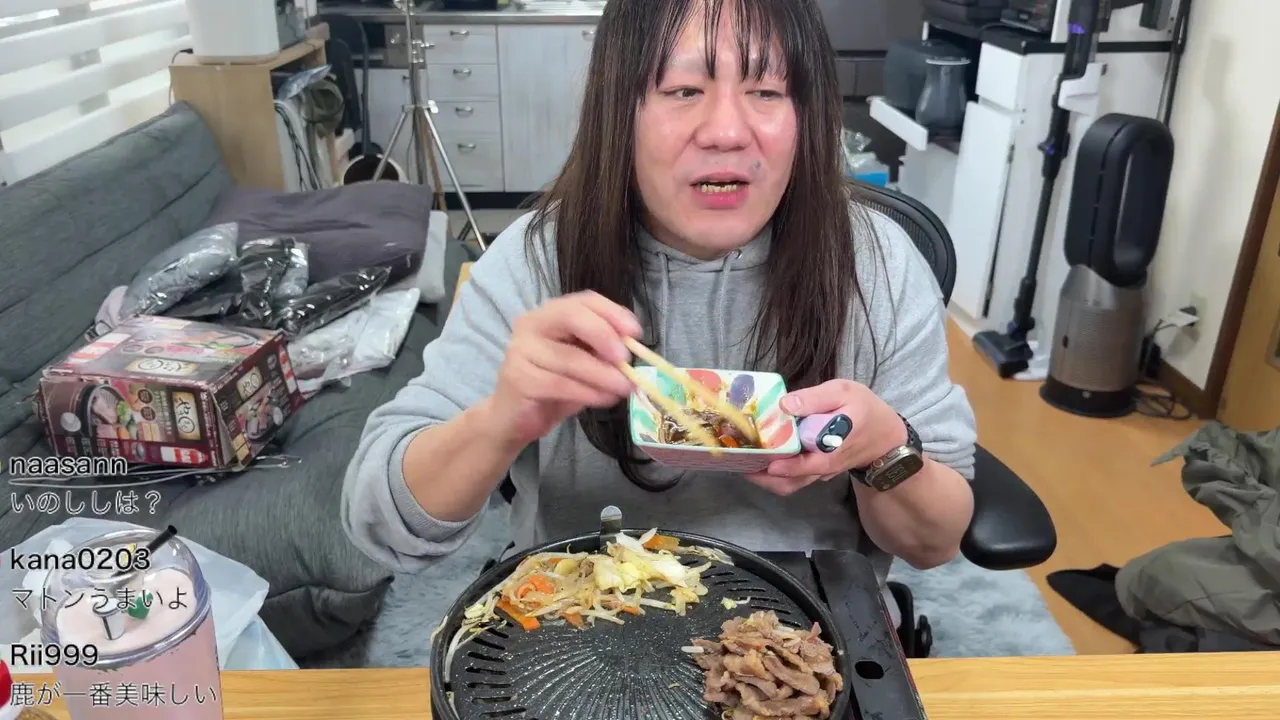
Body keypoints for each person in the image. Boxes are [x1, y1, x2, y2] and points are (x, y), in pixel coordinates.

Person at [341, 0, 978, 604]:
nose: (727, 131)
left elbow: (936, 542)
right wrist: (500, 420)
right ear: (619, 110)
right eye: (683, 90)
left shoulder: (877, 262)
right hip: (579, 621)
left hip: (813, 628)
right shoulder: (536, 258)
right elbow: (381, 526)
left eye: (766, 91)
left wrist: (885, 450)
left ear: (806, 115)